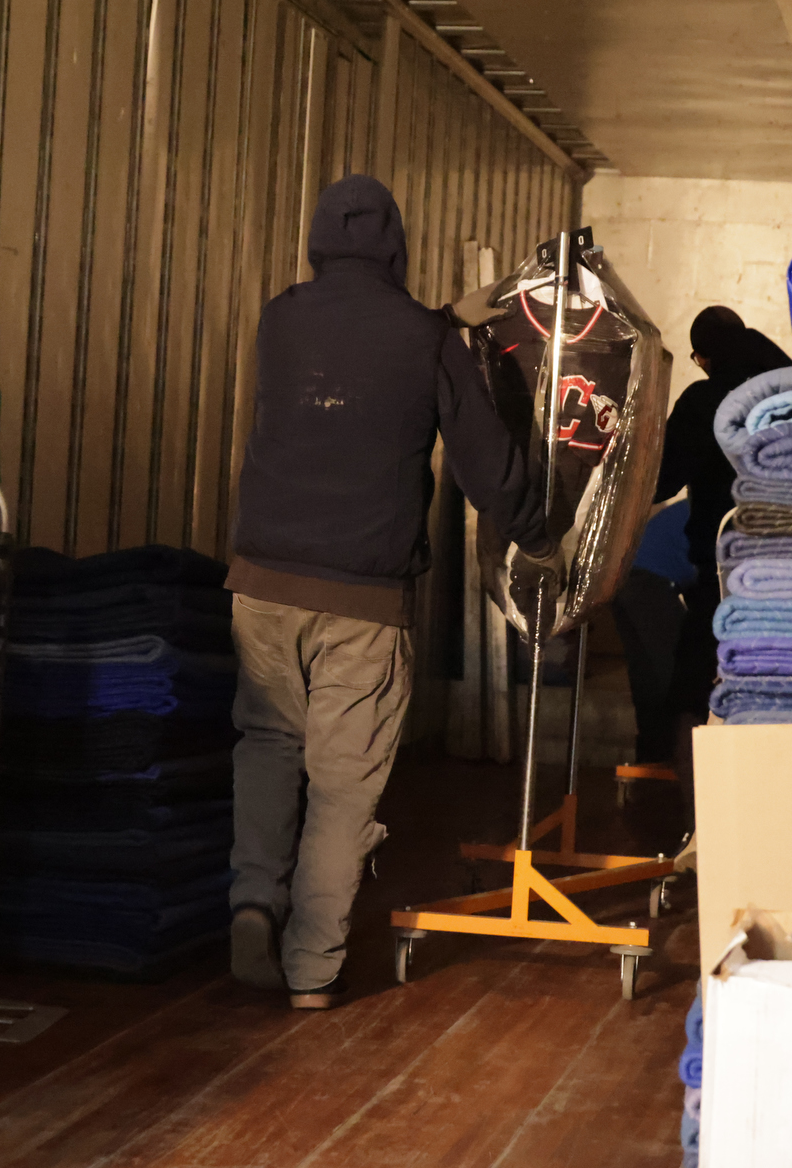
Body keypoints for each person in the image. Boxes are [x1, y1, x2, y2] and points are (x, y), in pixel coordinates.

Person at [226, 174, 561, 1009]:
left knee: (268, 747)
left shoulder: (280, 319)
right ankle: (310, 970)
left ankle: (252, 902)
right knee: (343, 787)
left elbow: (359, 349)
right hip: (361, 597)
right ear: (395, 247)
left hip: (261, 583)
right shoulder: (425, 340)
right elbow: (485, 463)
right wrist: (541, 528)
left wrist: (444, 324)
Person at [653, 306, 790, 837]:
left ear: (702, 356)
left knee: (693, 689)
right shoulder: (785, 387)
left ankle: (705, 832)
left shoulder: (704, 399)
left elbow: (659, 480)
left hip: (725, 575)